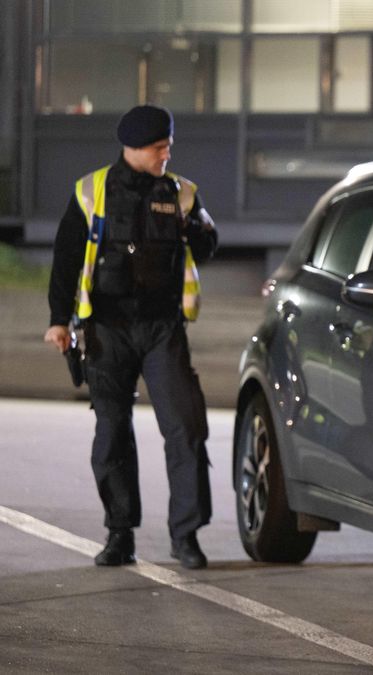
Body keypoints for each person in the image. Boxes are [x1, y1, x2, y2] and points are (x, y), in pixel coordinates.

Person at [43, 104, 217, 570]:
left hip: (163, 329)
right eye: (160, 147)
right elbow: (65, 259)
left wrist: (197, 230)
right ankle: (119, 534)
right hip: (106, 329)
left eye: (168, 146)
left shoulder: (181, 193)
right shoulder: (91, 191)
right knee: (113, 433)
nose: (167, 154)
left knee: (185, 428)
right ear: (136, 147)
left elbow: (208, 245)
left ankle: (186, 536)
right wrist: (60, 321)